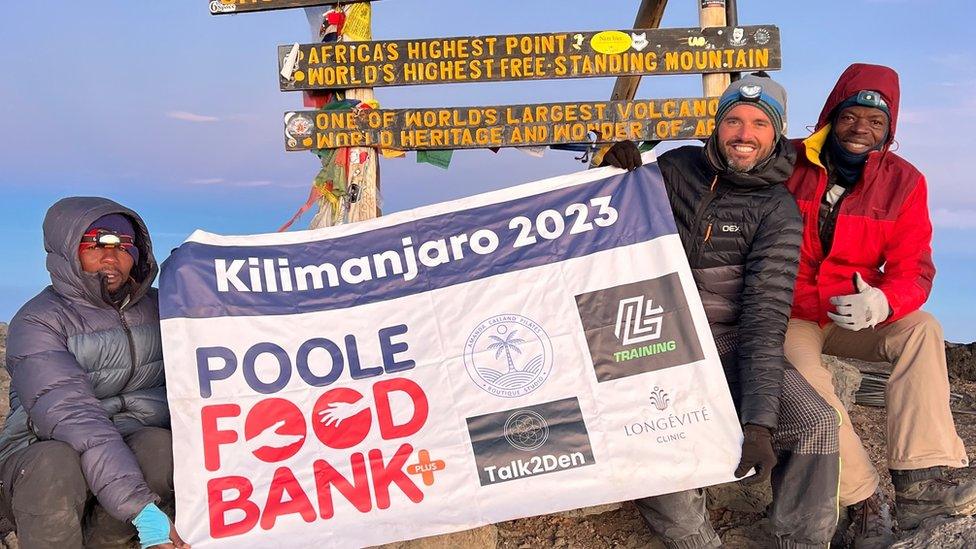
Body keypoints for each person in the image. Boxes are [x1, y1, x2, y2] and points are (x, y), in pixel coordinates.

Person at [602, 74, 840, 548]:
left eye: (758, 123)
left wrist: (758, 422)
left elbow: (764, 319)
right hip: (649, 329)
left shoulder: (778, 210)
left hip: (724, 335)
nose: (743, 133)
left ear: (777, 133)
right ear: (717, 125)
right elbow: (602, 228)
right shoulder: (674, 168)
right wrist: (609, 177)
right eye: (733, 119)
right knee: (660, 424)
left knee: (817, 423)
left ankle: (801, 541)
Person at [782, 63, 976, 542]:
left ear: (890, 129)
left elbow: (915, 268)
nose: (861, 128)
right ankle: (864, 500)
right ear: (832, 115)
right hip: (792, 311)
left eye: (875, 120)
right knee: (806, 382)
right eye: (851, 115)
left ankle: (922, 481)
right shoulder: (785, 162)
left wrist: (884, 302)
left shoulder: (904, 181)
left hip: (856, 311)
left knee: (922, 328)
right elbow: (723, 170)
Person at [0, 197, 189, 548]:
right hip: (45, 453)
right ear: (67, 252)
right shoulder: (38, 321)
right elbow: (77, 419)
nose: (110, 258)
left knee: (159, 448)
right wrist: (140, 509)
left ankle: (109, 542)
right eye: (95, 245)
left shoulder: (166, 309)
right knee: (55, 465)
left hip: (127, 450)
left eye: (123, 247)